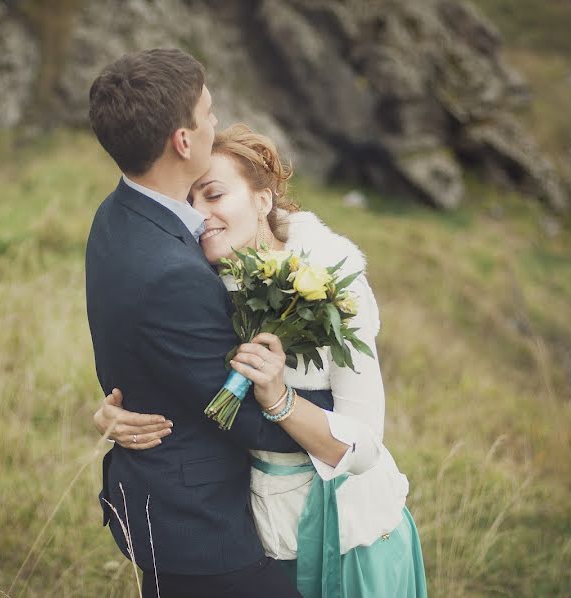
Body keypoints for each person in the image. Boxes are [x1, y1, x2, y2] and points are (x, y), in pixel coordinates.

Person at [93, 124, 428, 597]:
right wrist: (115, 410)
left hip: (351, 533)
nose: (199, 215)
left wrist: (280, 398)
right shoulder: (196, 284)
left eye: (213, 195)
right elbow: (187, 378)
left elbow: (364, 444)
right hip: (261, 536)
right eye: (188, 202)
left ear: (264, 199)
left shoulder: (334, 283)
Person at [87, 48, 339, 598]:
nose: (216, 124)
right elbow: (237, 414)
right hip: (203, 530)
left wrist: (116, 400)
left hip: (162, 502)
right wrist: (337, 418)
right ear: (183, 141)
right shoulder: (172, 273)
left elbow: (143, 349)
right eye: (209, 114)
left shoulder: (117, 215)